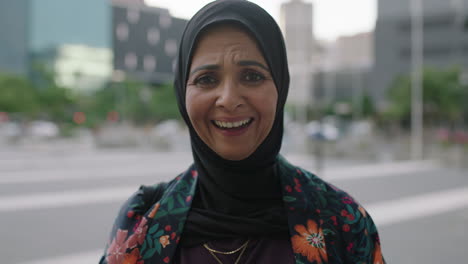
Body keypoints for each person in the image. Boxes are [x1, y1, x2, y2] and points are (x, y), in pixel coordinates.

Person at [99, 0, 385, 263]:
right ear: (182, 92)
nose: (228, 98)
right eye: (207, 79)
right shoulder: (141, 221)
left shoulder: (341, 219)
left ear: (280, 88)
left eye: (252, 76)